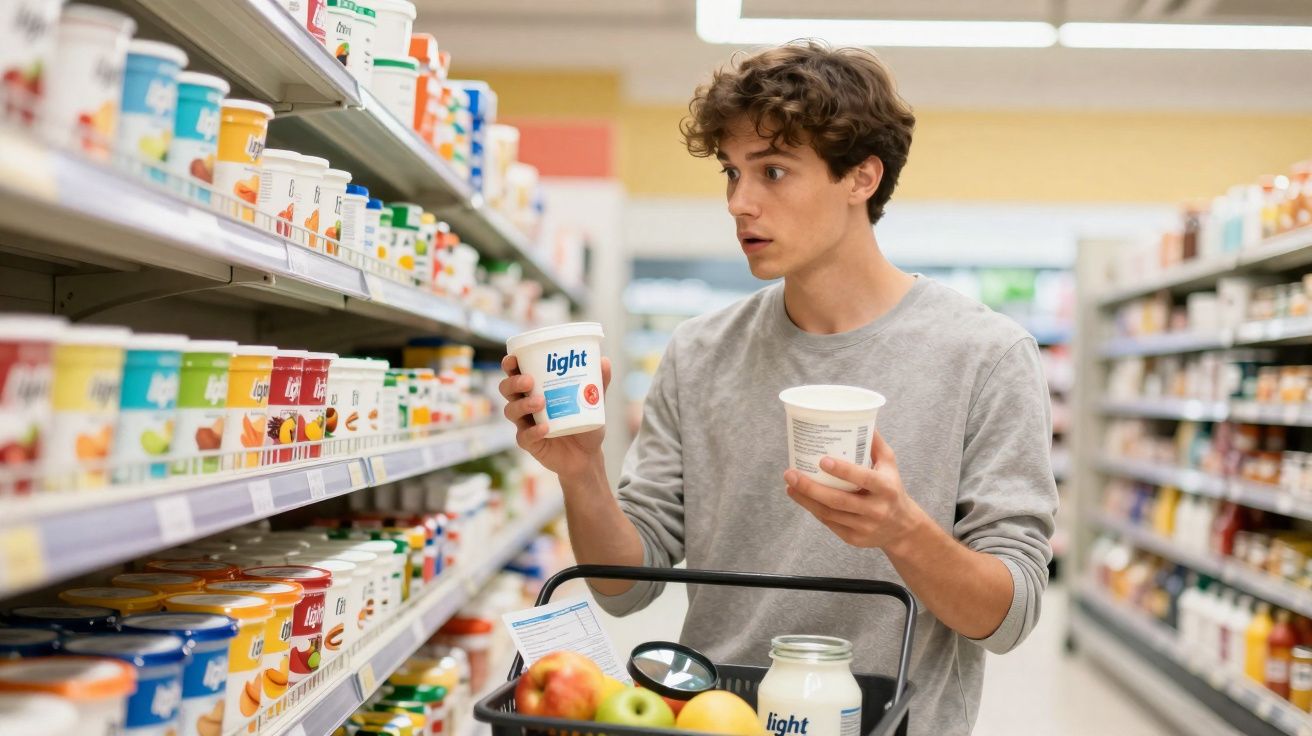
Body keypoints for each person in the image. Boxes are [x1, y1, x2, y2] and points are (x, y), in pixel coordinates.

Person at [499, 40, 1057, 736]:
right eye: (732, 172)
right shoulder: (700, 353)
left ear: (861, 178)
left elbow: (1008, 618)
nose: (739, 202)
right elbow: (626, 587)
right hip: (715, 717)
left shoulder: (986, 356)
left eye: (774, 171)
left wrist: (903, 532)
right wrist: (581, 474)